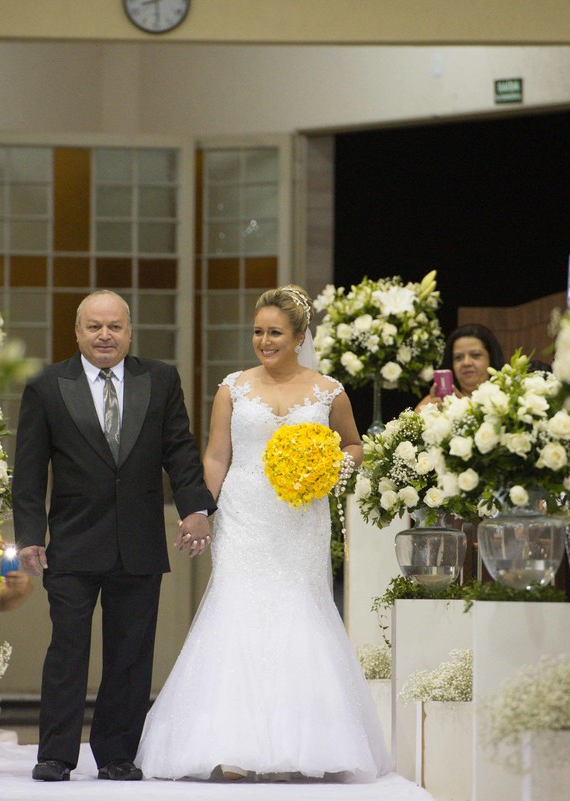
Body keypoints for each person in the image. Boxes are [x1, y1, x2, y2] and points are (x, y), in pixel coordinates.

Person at [136, 285, 391, 782]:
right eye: (258, 331)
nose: (264, 341)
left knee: (299, 609)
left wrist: (328, 466)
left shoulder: (328, 390)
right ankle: (232, 746)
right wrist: (200, 511)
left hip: (299, 516)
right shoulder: (233, 387)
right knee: (237, 606)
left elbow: (355, 446)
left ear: (299, 336)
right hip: (245, 512)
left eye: (275, 332)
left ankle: (301, 746)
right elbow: (216, 456)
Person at [12, 290, 215, 782]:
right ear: (77, 332)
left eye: (115, 327)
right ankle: (56, 754)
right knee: (67, 649)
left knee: (131, 653)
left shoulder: (160, 380)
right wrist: (30, 535)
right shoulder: (46, 385)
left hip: (139, 541)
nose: (105, 335)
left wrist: (196, 508)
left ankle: (117, 754)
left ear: (129, 331)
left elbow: (180, 451)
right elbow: (30, 468)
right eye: (95, 327)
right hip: (72, 540)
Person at [414, 323, 506, 411]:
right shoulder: (433, 403)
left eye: (475, 355)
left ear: (491, 359)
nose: (466, 363)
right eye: (458, 357)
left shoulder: (506, 400)